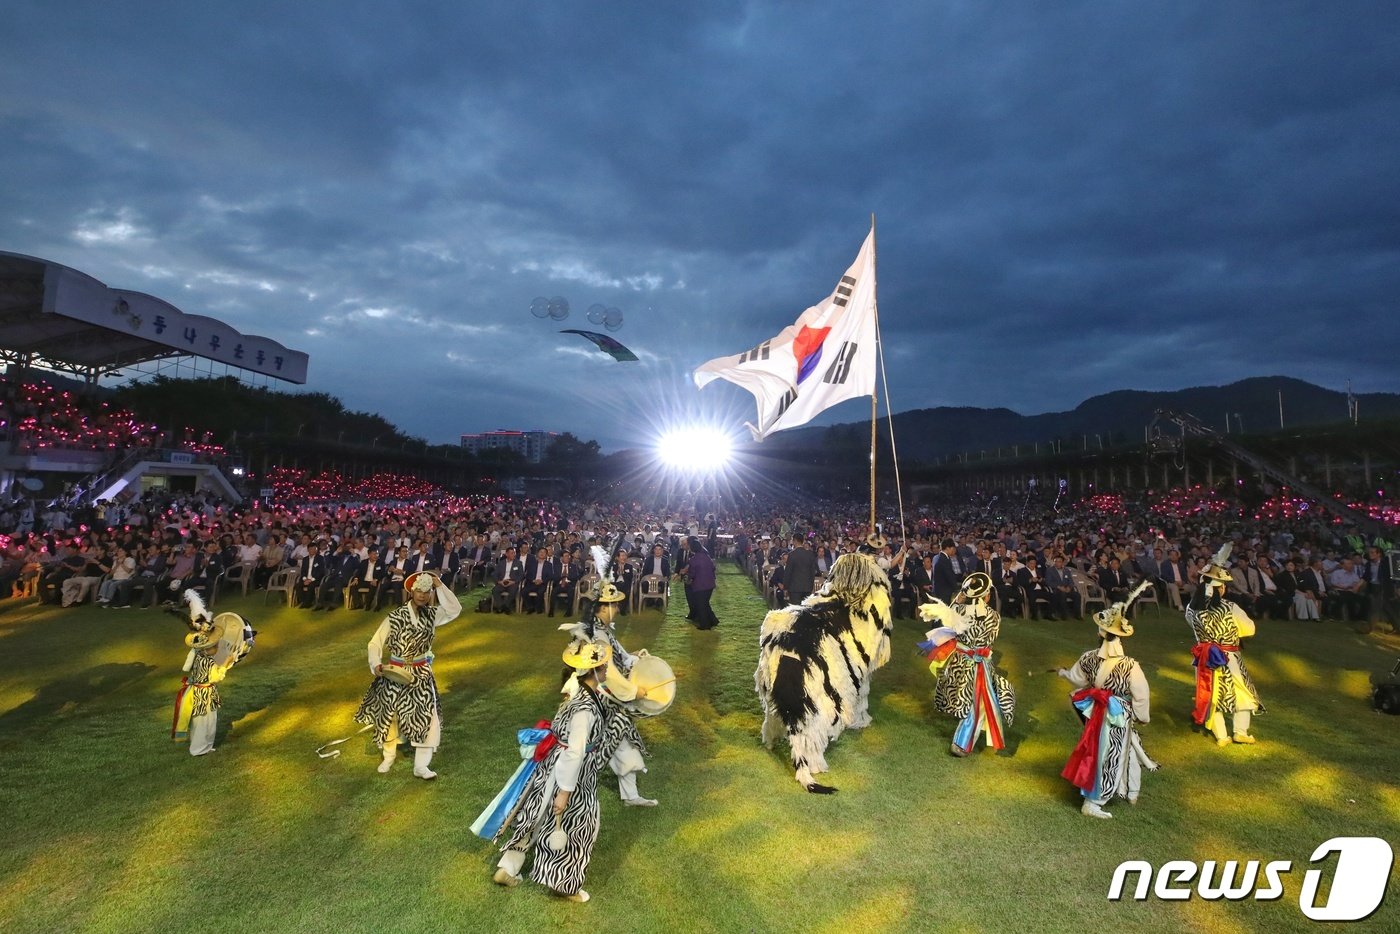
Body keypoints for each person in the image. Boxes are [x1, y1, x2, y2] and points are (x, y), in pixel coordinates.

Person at [493, 639, 614, 903]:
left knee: (536, 813)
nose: (607, 669)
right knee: (580, 823)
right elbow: (575, 752)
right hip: (573, 772)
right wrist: (565, 792)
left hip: (549, 765)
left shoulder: (577, 692)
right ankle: (564, 883)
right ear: (595, 671)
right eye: (604, 665)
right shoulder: (585, 709)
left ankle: (508, 867)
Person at [1057, 583, 1159, 819]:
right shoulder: (1129, 665)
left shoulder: (1089, 658)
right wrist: (1142, 716)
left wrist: (1064, 673)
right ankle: (1094, 801)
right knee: (1111, 753)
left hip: (1098, 712)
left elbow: (1077, 679)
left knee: (1109, 750)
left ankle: (1130, 791)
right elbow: (1141, 695)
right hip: (1117, 713)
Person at [353, 571, 462, 779]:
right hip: (395, 671)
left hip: (421, 672)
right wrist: (376, 664)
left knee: (427, 716)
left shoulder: (433, 615)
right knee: (390, 715)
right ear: (412, 591)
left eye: (427, 591)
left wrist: (440, 585)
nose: (422, 595)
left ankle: (421, 766)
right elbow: (375, 643)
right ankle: (389, 755)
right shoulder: (395, 617)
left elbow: (455, 608)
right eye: (419, 591)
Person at [565, 581, 659, 807]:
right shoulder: (597, 634)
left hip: (601, 698)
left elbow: (619, 657)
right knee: (580, 751)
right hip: (593, 700)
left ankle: (630, 796)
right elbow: (611, 673)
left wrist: (634, 657)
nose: (617, 609)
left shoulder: (601, 630)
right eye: (615, 605)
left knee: (622, 739)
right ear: (604, 607)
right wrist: (635, 691)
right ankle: (564, 793)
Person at [918, 571, 1016, 756]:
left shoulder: (959, 611)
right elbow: (990, 640)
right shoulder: (994, 616)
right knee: (977, 703)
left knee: (973, 701)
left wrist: (960, 599)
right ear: (986, 596)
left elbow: (949, 618)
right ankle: (961, 743)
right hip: (978, 664)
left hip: (958, 662)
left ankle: (964, 741)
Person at [1186, 545, 1264, 746]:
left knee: (1212, 695)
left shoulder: (1191, 609)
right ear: (1221, 587)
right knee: (1242, 692)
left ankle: (1221, 735)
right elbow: (1249, 629)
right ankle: (1240, 731)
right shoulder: (1230, 607)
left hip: (1204, 658)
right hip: (1228, 657)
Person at [171, 608, 254, 756]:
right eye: (214, 646)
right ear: (206, 649)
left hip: (200, 692)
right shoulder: (208, 661)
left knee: (204, 722)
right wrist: (226, 663)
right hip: (203, 695)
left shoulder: (198, 656)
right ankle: (199, 749)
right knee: (204, 723)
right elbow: (216, 677)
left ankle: (205, 746)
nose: (217, 648)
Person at [684, 538, 718, 629]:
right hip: (710, 584)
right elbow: (713, 568)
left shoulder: (693, 560)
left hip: (700, 585)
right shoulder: (707, 557)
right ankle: (713, 620)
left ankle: (705, 625)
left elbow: (692, 574)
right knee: (705, 603)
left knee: (701, 605)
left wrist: (688, 580)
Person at [783, 535, 818, 605]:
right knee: (805, 611)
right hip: (807, 587)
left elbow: (788, 572)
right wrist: (811, 586)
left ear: (795, 541)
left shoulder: (792, 555)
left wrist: (785, 587)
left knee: (796, 611)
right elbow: (812, 572)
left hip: (794, 588)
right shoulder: (810, 554)